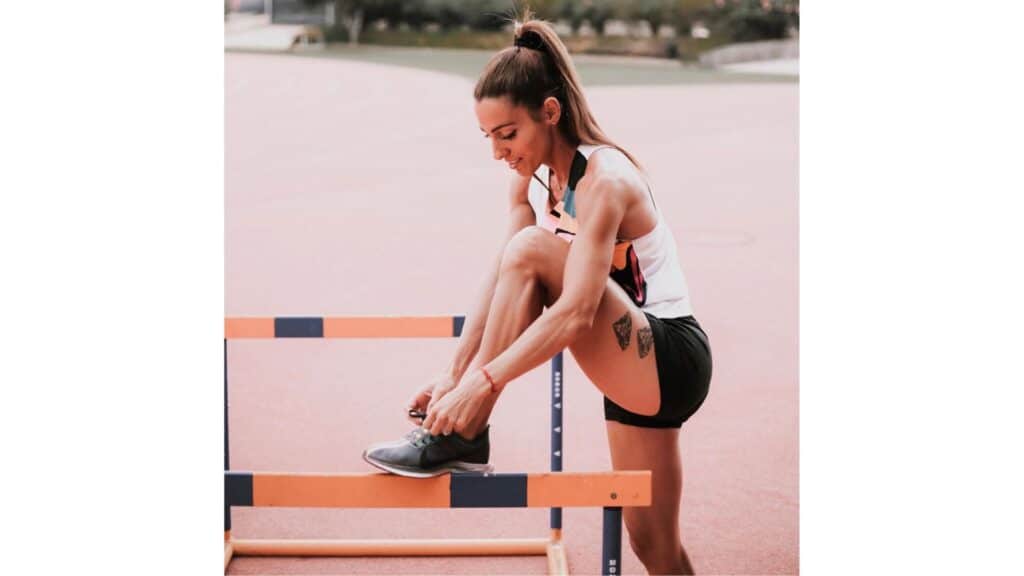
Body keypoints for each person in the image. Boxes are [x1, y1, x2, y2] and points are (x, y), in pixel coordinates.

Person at [362, 12, 711, 575]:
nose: (499, 152)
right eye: (489, 138)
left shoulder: (606, 179)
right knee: (655, 548)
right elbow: (503, 277)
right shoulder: (541, 183)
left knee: (527, 249)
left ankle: (467, 436)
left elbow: (574, 311)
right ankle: (464, 433)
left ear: (550, 113)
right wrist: (453, 376)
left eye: (508, 134)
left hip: (669, 354)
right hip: (630, 374)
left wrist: (480, 386)